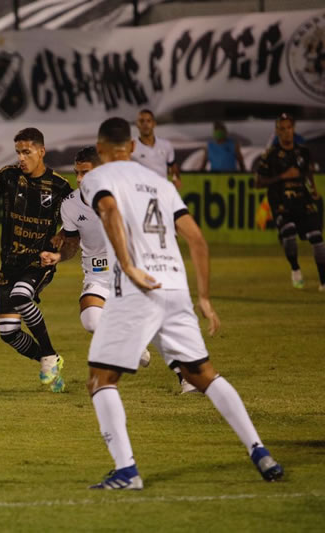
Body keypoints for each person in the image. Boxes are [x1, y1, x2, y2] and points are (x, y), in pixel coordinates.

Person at [78, 117, 282, 489]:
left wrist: (128, 267)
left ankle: (127, 471)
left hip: (139, 288)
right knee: (202, 373)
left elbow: (108, 211)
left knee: (101, 379)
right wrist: (204, 297)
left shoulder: (98, 176)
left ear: (102, 147)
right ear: (132, 147)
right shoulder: (161, 183)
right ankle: (259, 450)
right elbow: (197, 239)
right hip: (176, 286)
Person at [0, 127, 73, 392]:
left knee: (21, 295)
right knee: (8, 333)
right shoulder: (9, 177)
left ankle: (49, 355)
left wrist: (61, 239)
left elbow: (78, 222)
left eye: (26, 152)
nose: (21, 158)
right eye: (18, 152)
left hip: (38, 262)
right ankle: (50, 360)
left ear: (41, 151)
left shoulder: (60, 186)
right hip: (10, 264)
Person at [39, 147, 151, 369]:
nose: (80, 179)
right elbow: (72, 245)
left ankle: (185, 377)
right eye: (77, 173)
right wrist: (58, 256)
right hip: (98, 275)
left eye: (86, 173)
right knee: (90, 319)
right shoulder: (70, 205)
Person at [256, 113, 324, 291]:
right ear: (277, 131)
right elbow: (258, 182)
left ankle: (323, 281)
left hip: (303, 199)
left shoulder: (303, 152)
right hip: (281, 201)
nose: (287, 132)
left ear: (293, 129)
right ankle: (295, 269)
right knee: (289, 232)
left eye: (290, 128)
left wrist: (314, 190)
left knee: (317, 238)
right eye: (283, 129)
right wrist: (282, 176)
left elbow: (308, 172)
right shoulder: (270, 155)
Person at [132, 109, 181, 190]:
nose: (145, 124)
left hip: (162, 190)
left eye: (148, 121)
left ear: (154, 124)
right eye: (142, 121)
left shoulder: (166, 145)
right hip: (140, 191)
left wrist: (176, 178)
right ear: (137, 124)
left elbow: (172, 166)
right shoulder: (131, 145)